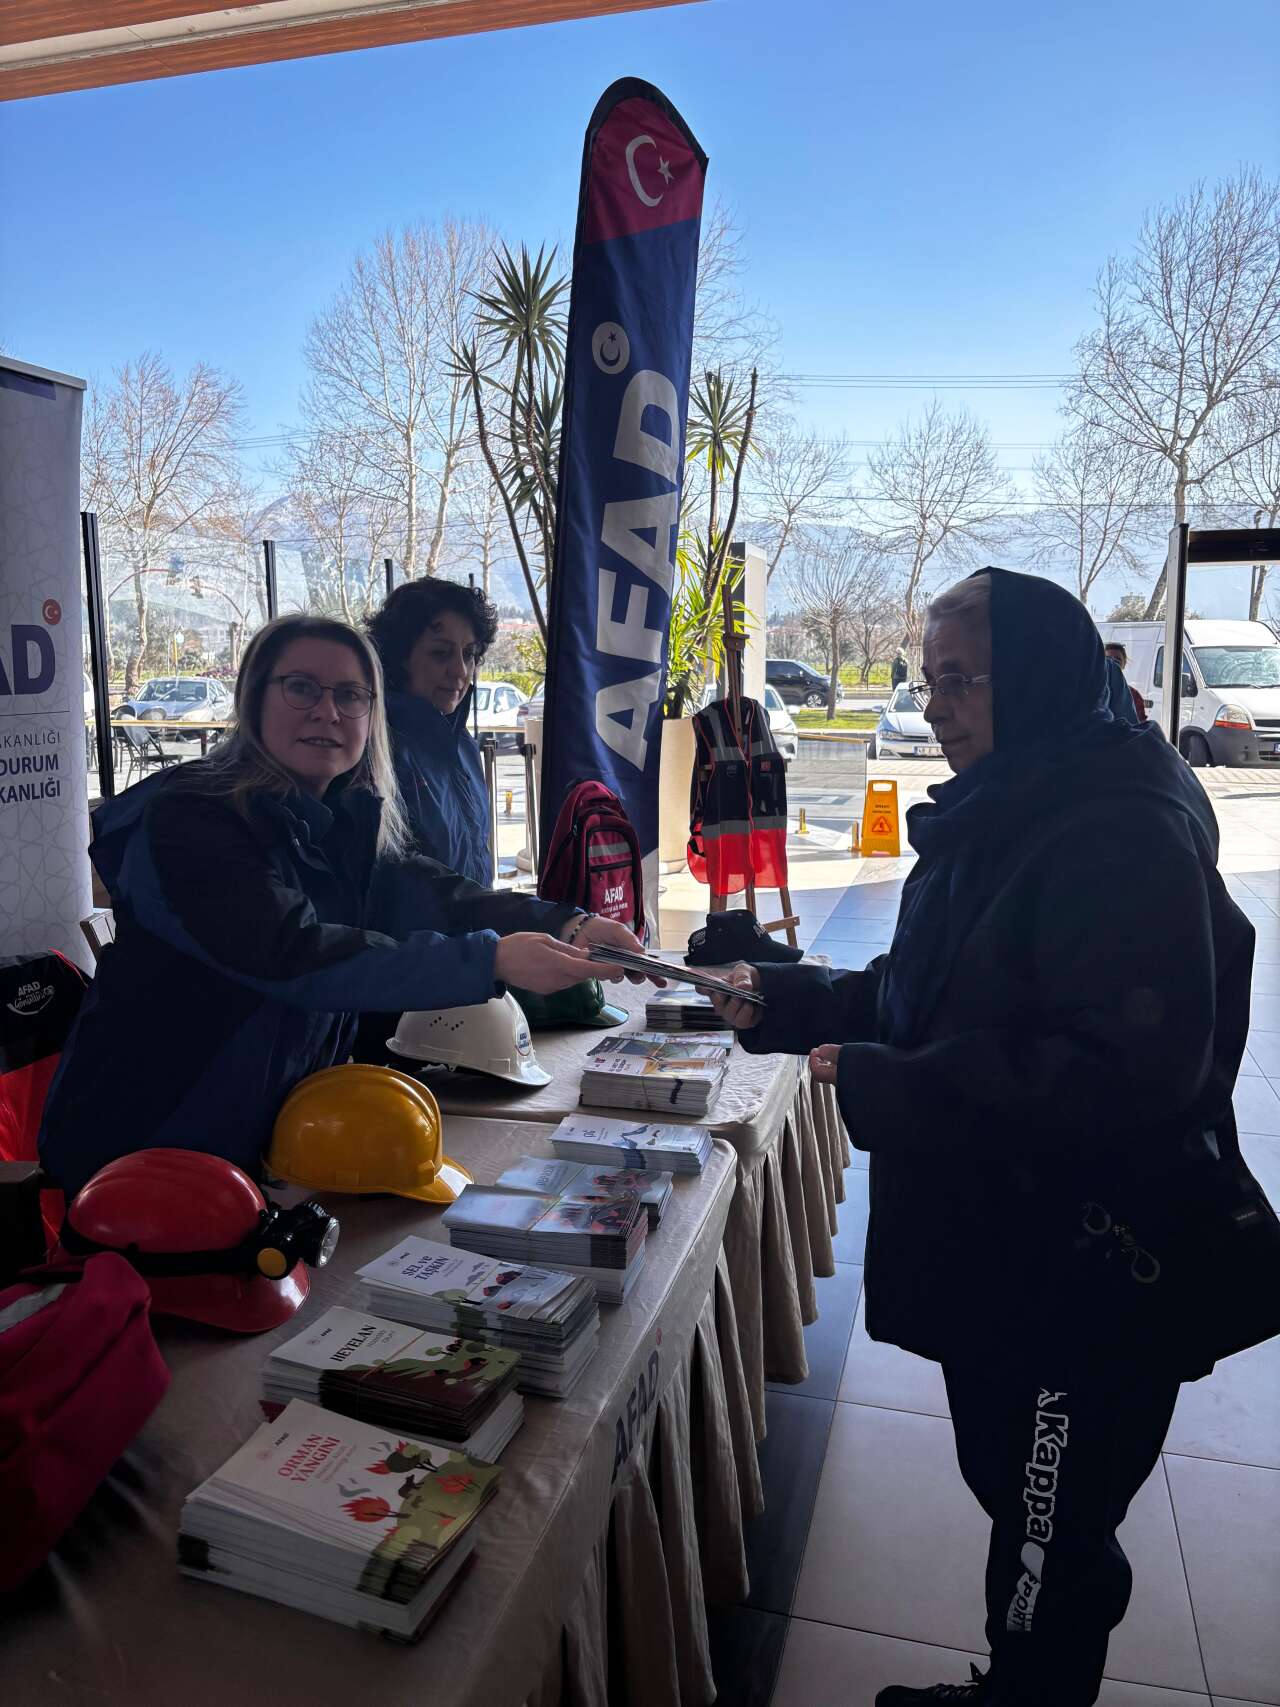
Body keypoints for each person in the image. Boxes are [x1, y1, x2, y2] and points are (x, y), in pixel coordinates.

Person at [711, 568, 1275, 1707]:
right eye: (930, 680)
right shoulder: (1018, 797)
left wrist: (887, 1085)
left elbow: (1126, 1069)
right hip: (1014, 1249)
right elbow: (940, 994)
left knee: (1047, 1533)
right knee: (1021, 1498)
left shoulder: (1116, 824)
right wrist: (786, 999)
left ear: (1041, 675)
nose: (937, 705)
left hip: (1084, 1275)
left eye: (964, 679)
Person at [40, 614, 649, 1198]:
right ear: (254, 699)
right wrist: (490, 962)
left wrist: (567, 921)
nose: (327, 712)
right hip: (144, 1156)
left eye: (352, 695)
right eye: (301, 688)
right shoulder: (188, 818)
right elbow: (291, 954)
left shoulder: (335, 817)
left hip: (273, 1146)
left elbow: (433, 894)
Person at [366, 577, 499, 884]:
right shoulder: (377, 749)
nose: (460, 671)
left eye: (469, 654)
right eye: (441, 653)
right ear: (400, 657)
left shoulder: (463, 745)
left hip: (485, 929)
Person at [1104, 641, 1147, 724]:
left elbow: (1139, 727)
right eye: (1108, 659)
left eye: (1117, 659)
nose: (1113, 663)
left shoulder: (1134, 695)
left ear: (1124, 664)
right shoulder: (1094, 693)